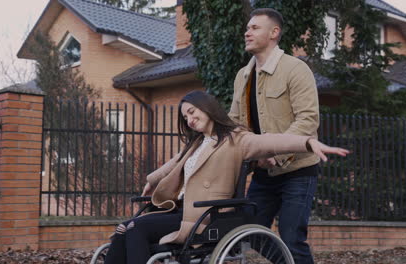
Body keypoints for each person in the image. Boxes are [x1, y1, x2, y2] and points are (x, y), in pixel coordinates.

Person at [104, 91, 348, 264]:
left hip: (204, 216)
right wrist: (152, 179)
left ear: (206, 107)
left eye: (191, 112)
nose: (189, 119)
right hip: (180, 210)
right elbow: (174, 163)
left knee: (135, 227)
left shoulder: (236, 139)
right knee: (124, 228)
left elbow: (270, 141)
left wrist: (307, 142)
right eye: (185, 117)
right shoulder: (197, 142)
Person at [228, 8, 321, 264]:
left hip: (298, 170)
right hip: (263, 172)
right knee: (248, 231)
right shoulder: (242, 77)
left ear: (274, 33)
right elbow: (237, 124)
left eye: (255, 28)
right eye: (247, 28)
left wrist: (275, 153)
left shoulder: (295, 69)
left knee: (292, 237)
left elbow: (308, 120)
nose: (247, 32)